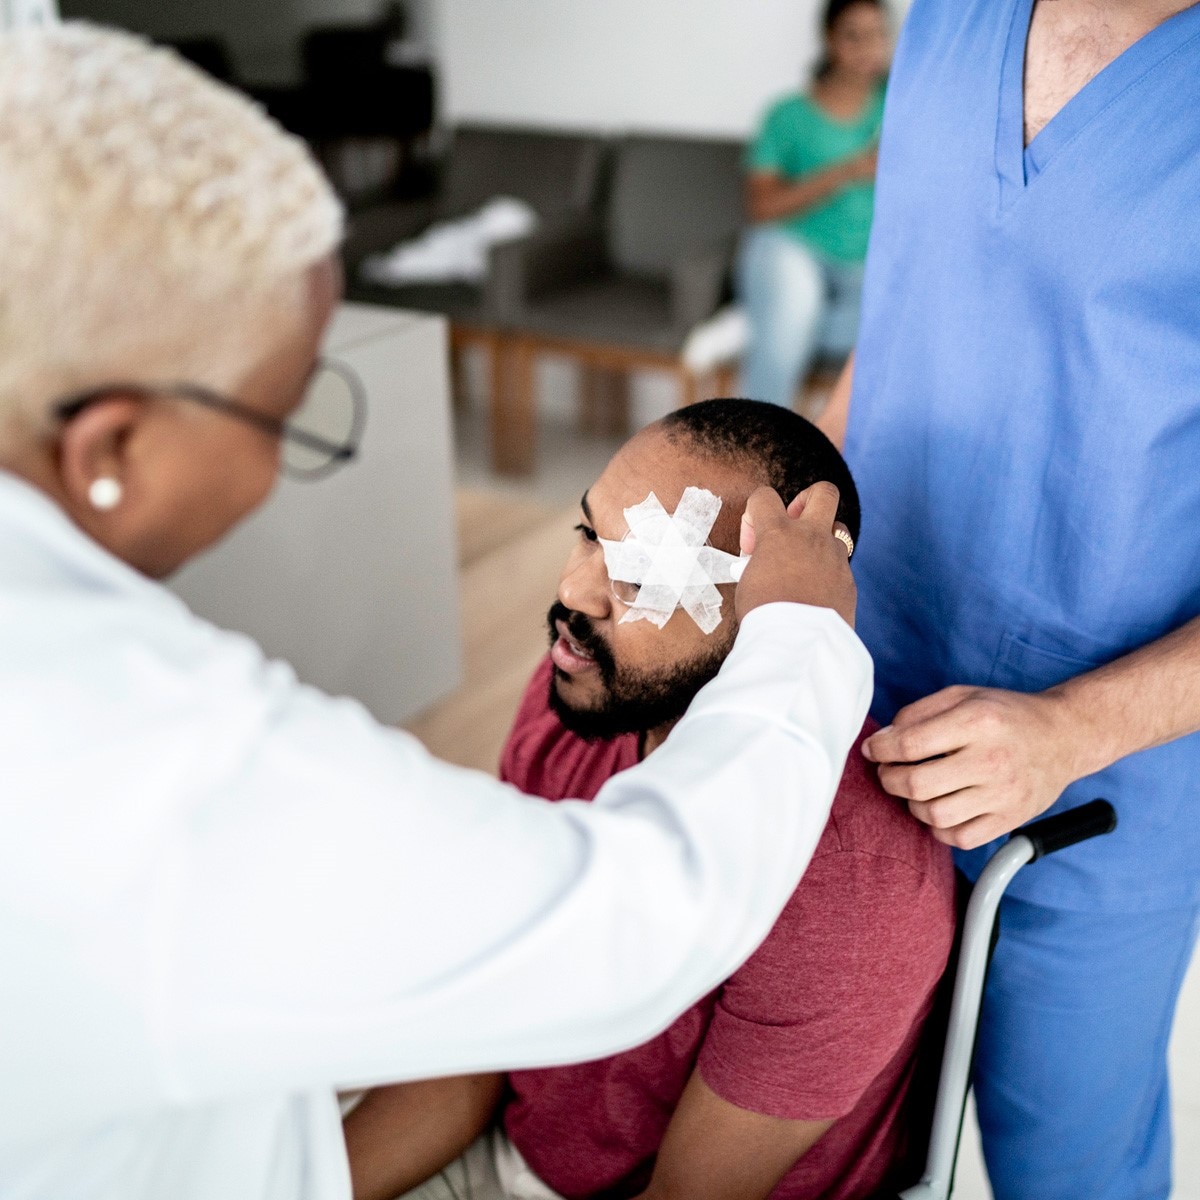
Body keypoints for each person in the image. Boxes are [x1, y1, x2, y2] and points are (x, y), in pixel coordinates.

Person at [0, 24, 874, 1200]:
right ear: (115, 446)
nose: (570, 595)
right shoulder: (153, 762)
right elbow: (626, 924)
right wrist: (800, 636)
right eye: (285, 417)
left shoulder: (855, 889)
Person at [343, 401, 957, 1200]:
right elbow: (480, 1049)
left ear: (773, 604)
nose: (574, 594)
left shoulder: (853, 893)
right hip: (507, 1145)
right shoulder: (592, 686)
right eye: (588, 533)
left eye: (637, 573)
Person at [812, 1, 1200, 1197]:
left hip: (1099, 784)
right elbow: (903, 318)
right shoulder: (946, 19)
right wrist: (767, 524)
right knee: (841, 1141)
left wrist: (1076, 728)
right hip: (858, 711)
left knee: (1066, 1167)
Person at [737, 0, 889, 410]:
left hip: (869, 265)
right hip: (796, 247)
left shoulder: (904, 107)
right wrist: (847, 170)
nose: (868, 47)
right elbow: (761, 206)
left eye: (878, 33)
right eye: (853, 35)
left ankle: (757, 322)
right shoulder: (786, 115)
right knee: (790, 307)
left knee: (890, 332)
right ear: (829, 40)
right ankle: (762, 460)